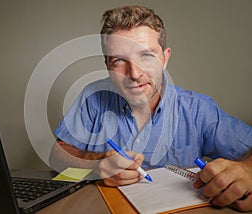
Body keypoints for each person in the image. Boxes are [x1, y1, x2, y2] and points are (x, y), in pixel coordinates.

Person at [51, 6, 252, 211]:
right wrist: (96, 165)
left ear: (165, 58)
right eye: (119, 60)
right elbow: (57, 156)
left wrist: (247, 170)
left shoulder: (199, 109)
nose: (134, 73)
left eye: (146, 55)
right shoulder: (91, 97)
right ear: (107, 65)